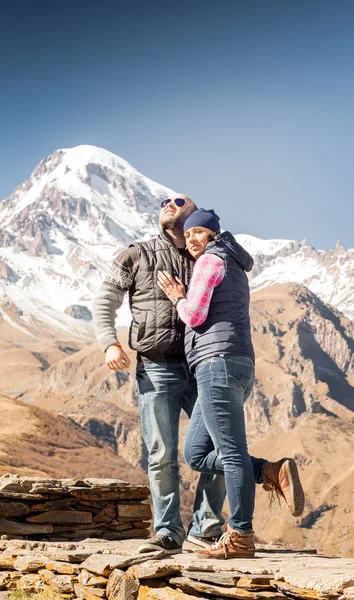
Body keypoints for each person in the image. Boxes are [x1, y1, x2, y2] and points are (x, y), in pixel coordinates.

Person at [157, 208, 305, 559]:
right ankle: (269, 470)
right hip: (235, 364)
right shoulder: (233, 262)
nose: (192, 239)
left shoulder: (211, 261)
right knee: (196, 453)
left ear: (212, 234)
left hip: (217, 365)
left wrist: (178, 296)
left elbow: (194, 314)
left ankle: (240, 536)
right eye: (188, 234)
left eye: (199, 232)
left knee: (232, 453)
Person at [93, 196, 226, 555]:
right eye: (165, 200)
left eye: (179, 201)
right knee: (161, 452)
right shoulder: (136, 254)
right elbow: (105, 300)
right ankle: (167, 531)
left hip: (204, 367)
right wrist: (110, 343)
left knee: (217, 447)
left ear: (194, 215)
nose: (169, 203)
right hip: (156, 366)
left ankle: (207, 530)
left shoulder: (210, 258)